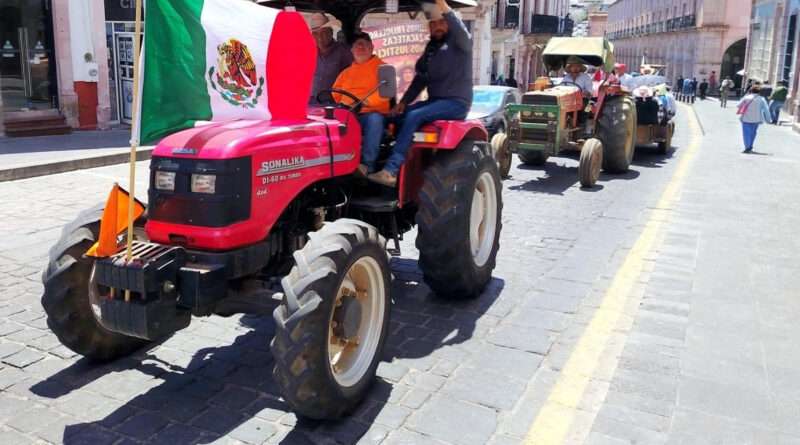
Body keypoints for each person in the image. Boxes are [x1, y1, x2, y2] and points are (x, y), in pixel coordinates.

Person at [367, 0, 472, 187]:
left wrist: (442, 5)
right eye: (433, 24)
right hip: (435, 101)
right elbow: (420, 80)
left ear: (449, 24)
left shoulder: (460, 43)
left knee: (415, 116)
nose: (437, 27)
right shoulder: (431, 49)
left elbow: (459, 28)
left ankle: (391, 171)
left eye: (441, 22)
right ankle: (371, 163)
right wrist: (403, 103)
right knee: (393, 117)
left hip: (456, 103)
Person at [331, 32, 390, 177]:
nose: (361, 47)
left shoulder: (383, 68)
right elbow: (336, 94)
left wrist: (364, 102)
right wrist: (346, 105)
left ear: (372, 47)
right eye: (357, 45)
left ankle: (367, 165)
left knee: (375, 120)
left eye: (364, 44)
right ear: (351, 50)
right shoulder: (346, 73)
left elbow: (386, 94)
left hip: (370, 114)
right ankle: (334, 162)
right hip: (348, 113)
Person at [309, 13, 353, 104]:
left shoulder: (345, 52)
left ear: (331, 32)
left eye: (324, 32)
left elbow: (351, 79)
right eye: (315, 34)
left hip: (335, 103)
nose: (320, 38)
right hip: (311, 103)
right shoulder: (308, 53)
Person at [737, 85, 771, 153]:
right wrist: (768, 119)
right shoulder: (762, 99)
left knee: (746, 133)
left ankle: (747, 147)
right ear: (759, 92)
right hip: (756, 119)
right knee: (753, 133)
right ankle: (750, 145)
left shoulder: (746, 97)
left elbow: (738, 105)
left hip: (746, 118)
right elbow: (766, 110)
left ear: (751, 91)